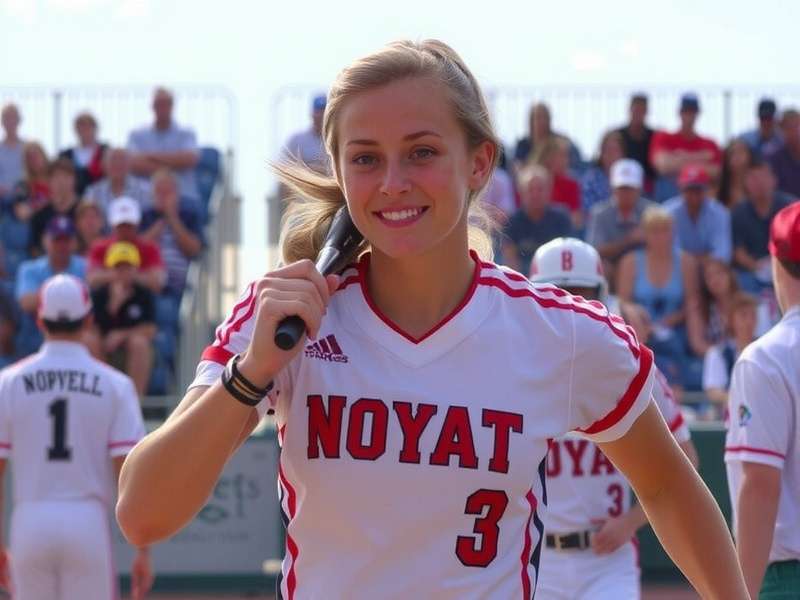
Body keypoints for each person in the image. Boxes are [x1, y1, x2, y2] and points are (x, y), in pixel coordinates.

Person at [116, 39, 748, 600]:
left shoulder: (563, 334)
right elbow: (143, 512)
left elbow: (668, 486)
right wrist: (253, 372)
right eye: (364, 158)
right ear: (337, 169)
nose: (393, 182)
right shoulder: (279, 318)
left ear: (479, 163)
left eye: (421, 152)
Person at [529, 237, 699, 600]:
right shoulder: (515, 372)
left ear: (601, 297)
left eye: (580, 293)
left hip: (608, 559)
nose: (570, 304)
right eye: (558, 292)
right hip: (538, 558)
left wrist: (632, 521)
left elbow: (687, 459)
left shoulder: (632, 368)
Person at [0, 274, 152, 600]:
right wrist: (142, 550)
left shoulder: (8, 382)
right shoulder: (115, 384)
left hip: (29, 519)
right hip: (87, 521)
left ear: (40, 320)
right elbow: (129, 471)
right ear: (88, 319)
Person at [725, 201, 800, 599]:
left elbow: (759, 485)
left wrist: (741, 593)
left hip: (788, 578)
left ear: (777, 262)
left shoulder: (768, 357)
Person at [616, 206, 698, 387]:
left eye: (664, 231)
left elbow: (692, 303)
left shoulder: (686, 262)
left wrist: (670, 320)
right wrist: (642, 322)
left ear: (672, 233)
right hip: (640, 331)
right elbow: (623, 303)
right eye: (654, 231)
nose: (660, 237)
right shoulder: (630, 262)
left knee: (673, 346)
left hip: (675, 330)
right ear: (645, 234)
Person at [89, 242, 156, 396]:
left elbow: (150, 329)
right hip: (102, 345)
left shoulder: (143, 293)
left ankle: (135, 403)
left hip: (129, 345)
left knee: (139, 343)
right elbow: (92, 326)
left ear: (135, 269)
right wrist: (113, 305)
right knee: (89, 340)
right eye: (118, 267)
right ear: (110, 270)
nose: (123, 272)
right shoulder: (100, 293)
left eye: (127, 267)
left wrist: (121, 335)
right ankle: (101, 396)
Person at [15, 216, 87, 356]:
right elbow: (26, 302)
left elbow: (91, 303)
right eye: (57, 240)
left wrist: (49, 297)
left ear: (75, 242)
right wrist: (70, 298)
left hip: (77, 340)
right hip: (34, 340)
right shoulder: (30, 269)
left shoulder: (85, 267)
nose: (62, 246)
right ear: (45, 241)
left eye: (66, 240)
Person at [586, 159, 654, 286]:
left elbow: (663, 247)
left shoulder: (652, 212)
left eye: (630, 188)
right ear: (613, 188)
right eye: (621, 188)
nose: (625, 193)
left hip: (645, 267)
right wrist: (629, 240)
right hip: (611, 269)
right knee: (603, 268)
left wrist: (650, 239)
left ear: (639, 189)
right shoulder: (600, 213)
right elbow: (595, 251)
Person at [732, 159, 795, 293]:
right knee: (740, 281)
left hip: (789, 267)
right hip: (754, 270)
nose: (759, 182)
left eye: (763, 176)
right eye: (753, 178)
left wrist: (781, 267)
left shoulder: (791, 207)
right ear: (745, 183)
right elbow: (738, 251)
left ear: (774, 179)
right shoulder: (739, 212)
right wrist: (755, 266)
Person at [139, 169, 204, 298]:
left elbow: (194, 250)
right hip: (148, 284)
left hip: (179, 286)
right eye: (159, 192)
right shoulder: (145, 216)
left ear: (177, 194)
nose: (163, 197)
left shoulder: (189, 215)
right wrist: (158, 226)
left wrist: (172, 218)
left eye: (167, 193)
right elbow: (138, 250)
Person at [127, 87, 200, 201]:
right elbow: (133, 163)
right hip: (144, 200)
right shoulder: (137, 135)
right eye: (159, 104)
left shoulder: (187, 133)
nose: (162, 108)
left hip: (183, 198)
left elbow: (190, 159)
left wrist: (149, 156)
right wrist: (175, 163)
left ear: (172, 106)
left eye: (166, 104)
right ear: (152, 106)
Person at [87, 196, 166, 294]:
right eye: (121, 225)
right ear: (113, 225)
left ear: (137, 224)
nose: (125, 230)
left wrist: (133, 276)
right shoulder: (100, 247)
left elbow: (158, 283)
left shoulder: (149, 248)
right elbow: (91, 279)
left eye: (129, 225)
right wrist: (119, 274)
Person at [501, 163, 572, 272]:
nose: (535, 194)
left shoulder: (562, 218)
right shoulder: (512, 222)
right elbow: (510, 260)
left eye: (540, 189)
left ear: (549, 191)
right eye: (530, 189)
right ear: (521, 192)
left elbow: (568, 256)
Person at [702, 291, 758, 417]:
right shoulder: (717, 353)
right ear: (731, 319)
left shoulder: (765, 351)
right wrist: (743, 401)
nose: (749, 321)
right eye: (743, 315)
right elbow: (714, 392)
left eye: (753, 316)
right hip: (729, 419)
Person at [664, 164, 732, 264]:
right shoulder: (667, 211)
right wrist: (704, 256)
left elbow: (723, 255)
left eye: (698, 189)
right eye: (689, 190)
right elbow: (669, 253)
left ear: (706, 189)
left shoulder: (720, 212)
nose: (694, 196)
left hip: (710, 270)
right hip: (679, 270)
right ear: (680, 189)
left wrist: (691, 259)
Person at [650, 93, 722, 185]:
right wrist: (701, 157)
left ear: (697, 114)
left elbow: (714, 172)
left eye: (692, 111)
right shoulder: (663, 137)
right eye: (686, 111)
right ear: (680, 112)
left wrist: (678, 157)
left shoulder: (710, 144)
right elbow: (663, 166)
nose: (689, 116)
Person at [29, 158, 79, 256]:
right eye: (56, 177)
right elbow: (34, 249)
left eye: (66, 176)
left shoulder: (85, 211)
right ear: (49, 181)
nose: (61, 182)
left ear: (74, 180)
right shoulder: (39, 215)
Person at [513, 102, 582, 172]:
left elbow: (576, 167)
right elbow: (518, 168)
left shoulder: (562, 142)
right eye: (538, 117)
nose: (542, 121)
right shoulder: (522, 145)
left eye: (544, 117)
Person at [85, 147, 153, 216]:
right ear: (103, 165)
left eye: (122, 160)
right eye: (113, 160)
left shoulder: (145, 191)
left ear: (130, 164)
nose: (117, 164)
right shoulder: (93, 193)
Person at [533, 136, 582, 227]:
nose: (567, 160)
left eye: (566, 156)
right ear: (548, 157)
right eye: (562, 155)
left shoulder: (571, 184)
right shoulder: (532, 182)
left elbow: (576, 219)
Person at [58, 112, 108, 196]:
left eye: (88, 126)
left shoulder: (105, 152)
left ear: (95, 128)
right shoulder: (65, 155)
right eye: (81, 126)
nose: (85, 129)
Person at [615, 93, 656, 193]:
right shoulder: (618, 135)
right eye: (636, 110)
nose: (638, 114)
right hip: (622, 180)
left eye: (642, 111)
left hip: (647, 184)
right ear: (629, 110)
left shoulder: (654, 136)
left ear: (646, 112)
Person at [579, 130, 624, 216]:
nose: (611, 155)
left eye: (615, 150)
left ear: (622, 154)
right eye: (607, 150)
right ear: (601, 153)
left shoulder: (631, 178)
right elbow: (588, 210)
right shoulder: (590, 180)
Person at [10, 141, 50, 222]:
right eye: (29, 157)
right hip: (35, 223)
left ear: (44, 156)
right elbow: (21, 213)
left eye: (36, 155)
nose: (33, 160)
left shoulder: (56, 178)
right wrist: (41, 203)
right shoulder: (22, 185)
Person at [767, 108, 800, 197]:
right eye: (788, 127)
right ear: (781, 130)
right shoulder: (773, 157)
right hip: (786, 207)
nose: (794, 131)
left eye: (796, 126)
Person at [716, 138, 753, 209]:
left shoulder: (758, 186)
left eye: (741, 151)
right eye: (732, 153)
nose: (737, 156)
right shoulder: (720, 190)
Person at [0, 103, 24, 199]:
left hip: (23, 199)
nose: (10, 122)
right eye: (7, 118)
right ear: (2, 122)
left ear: (19, 121)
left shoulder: (27, 148)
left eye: (13, 118)